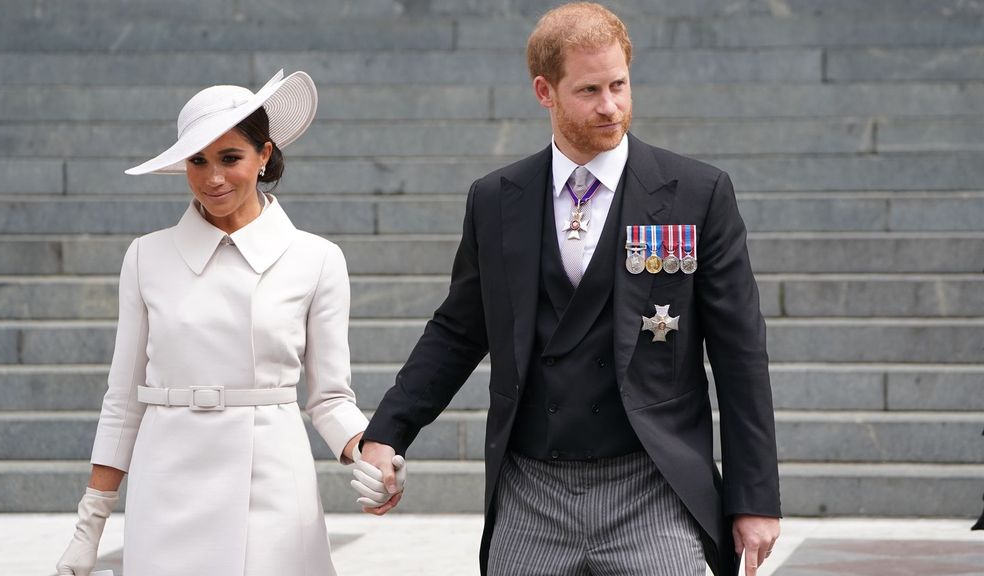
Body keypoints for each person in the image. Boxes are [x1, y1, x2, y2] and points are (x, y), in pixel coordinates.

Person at [358, 3, 781, 575]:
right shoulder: (495, 199)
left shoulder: (697, 193)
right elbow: (459, 329)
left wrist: (754, 498)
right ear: (544, 91)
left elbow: (740, 352)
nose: (610, 106)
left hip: (652, 485)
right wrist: (388, 432)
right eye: (588, 91)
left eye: (619, 84)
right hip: (531, 490)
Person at [55, 70, 392, 576]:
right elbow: (123, 400)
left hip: (274, 484)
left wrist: (371, 451)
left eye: (230, 157)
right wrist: (90, 527)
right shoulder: (146, 257)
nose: (213, 177)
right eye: (198, 160)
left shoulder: (316, 259)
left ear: (264, 155)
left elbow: (329, 399)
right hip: (166, 482)